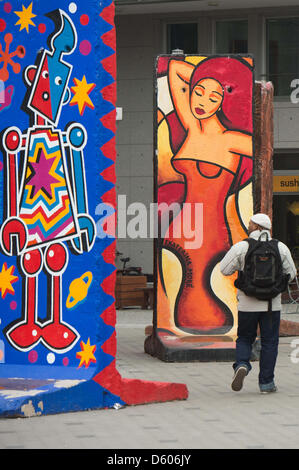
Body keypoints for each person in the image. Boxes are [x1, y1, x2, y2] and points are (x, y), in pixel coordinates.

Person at [220, 213, 297, 394]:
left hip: (247, 303)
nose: (249, 226)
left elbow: (224, 269)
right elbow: (291, 273)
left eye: (250, 224)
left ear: (256, 227)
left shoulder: (242, 247)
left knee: (245, 338)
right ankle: (266, 384)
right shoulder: (281, 248)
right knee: (270, 342)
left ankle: (242, 365)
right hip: (272, 305)